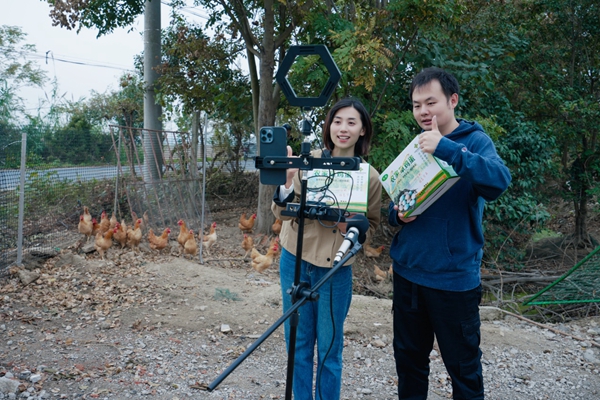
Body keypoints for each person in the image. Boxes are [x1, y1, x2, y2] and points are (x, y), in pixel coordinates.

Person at [388, 67, 511, 399]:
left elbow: (499, 181)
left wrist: (446, 149)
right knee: (410, 366)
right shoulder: (416, 146)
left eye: (431, 102)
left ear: (452, 100)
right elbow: (395, 205)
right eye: (416, 105)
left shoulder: (473, 142)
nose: (423, 112)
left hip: (454, 282)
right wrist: (397, 214)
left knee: (464, 370)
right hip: (409, 275)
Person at [272, 98, 382, 400]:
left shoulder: (369, 176)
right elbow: (280, 212)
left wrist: (356, 229)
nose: (343, 128)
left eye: (351, 122)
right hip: (295, 259)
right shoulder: (307, 161)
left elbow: (370, 226)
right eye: (337, 121)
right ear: (328, 126)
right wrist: (286, 184)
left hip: (336, 270)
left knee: (330, 350)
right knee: (298, 345)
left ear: (362, 130)